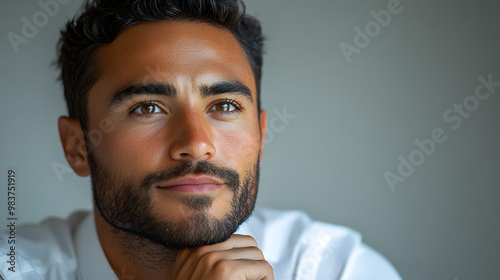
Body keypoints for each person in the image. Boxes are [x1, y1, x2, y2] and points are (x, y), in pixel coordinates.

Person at [0, 0, 401, 279]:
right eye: (147, 108)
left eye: (224, 106)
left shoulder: (334, 268)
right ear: (76, 147)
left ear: (261, 134)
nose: (196, 143)